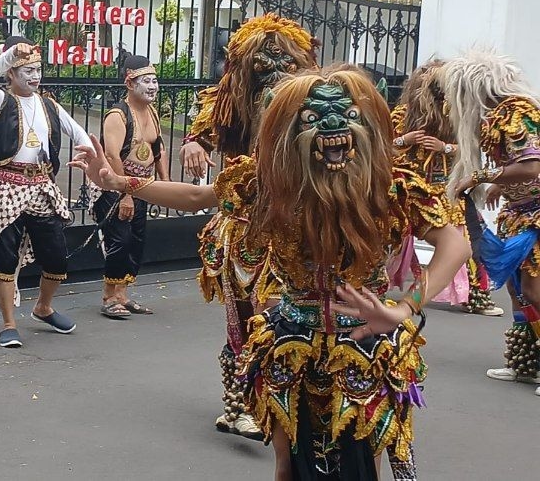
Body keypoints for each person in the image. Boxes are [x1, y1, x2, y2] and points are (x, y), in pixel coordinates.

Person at [72, 65, 469, 479]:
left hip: (365, 345)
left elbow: (455, 243)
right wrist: (116, 180)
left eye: (348, 116)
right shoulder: (268, 183)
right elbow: (195, 196)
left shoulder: (389, 186)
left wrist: (405, 308)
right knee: (287, 466)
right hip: (290, 340)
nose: (334, 130)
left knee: (362, 466)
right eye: (313, 120)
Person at [182, 14, 318, 439]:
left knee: (286, 319)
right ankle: (236, 404)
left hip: (296, 232)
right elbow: (202, 136)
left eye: (287, 66)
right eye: (263, 66)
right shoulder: (226, 103)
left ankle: (282, 404)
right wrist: (192, 144)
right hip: (242, 233)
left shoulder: (311, 109)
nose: (275, 74)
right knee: (242, 321)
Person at [0, 36, 92, 348]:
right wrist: (10, 55)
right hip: (6, 186)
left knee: (56, 257)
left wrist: (88, 151)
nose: (35, 76)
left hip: (40, 186)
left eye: (38, 70)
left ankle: (44, 307)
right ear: (11, 73)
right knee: (3, 257)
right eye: (27, 71)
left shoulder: (48, 104)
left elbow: (76, 131)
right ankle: (9, 323)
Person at [444, 49, 540, 396]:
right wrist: (501, 183)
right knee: (517, 291)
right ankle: (526, 363)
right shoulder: (500, 115)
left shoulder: (516, 112)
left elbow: (531, 166)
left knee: (533, 290)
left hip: (536, 213)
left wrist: (480, 177)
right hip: (518, 212)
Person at [390, 60, 502, 315]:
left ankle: (476, 297)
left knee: (466, 242)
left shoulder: (455, 116)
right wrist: (404, 139)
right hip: (408, 190)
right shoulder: (401, 115)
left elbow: (470, 149)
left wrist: (444, 148)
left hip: (446, 190)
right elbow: (380, 147)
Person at [94, 54, 170, 319]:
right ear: (130, 84)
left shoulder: (151, 112)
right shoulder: (118, 115)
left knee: (136, 241)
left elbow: (157, 147)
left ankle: (123, 295)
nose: (153, 87)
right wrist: (125, 194)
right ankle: (108, 296)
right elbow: (113, 156)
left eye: (155, 81)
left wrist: (166, 185)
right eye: (146, 81)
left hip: (142, 187)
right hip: (117, 189)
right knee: (120, 240)